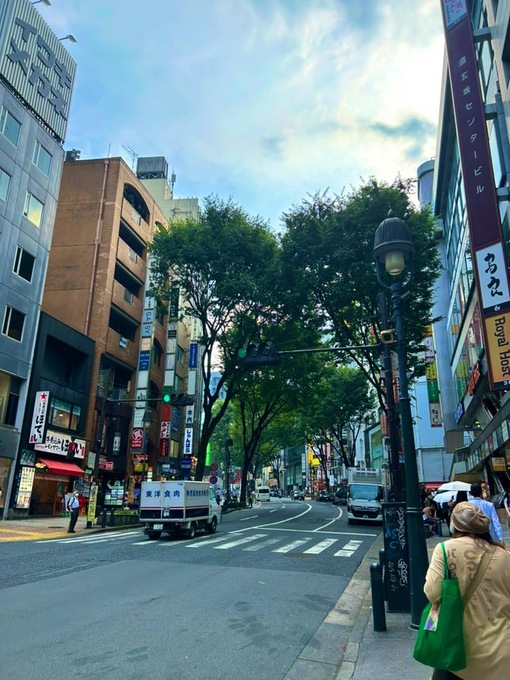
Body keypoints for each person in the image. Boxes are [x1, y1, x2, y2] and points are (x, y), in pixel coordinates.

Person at [423, 502, 510, 680]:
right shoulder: (503, 554)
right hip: (501, 650)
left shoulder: (445, 549)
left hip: (458, 648)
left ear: (454, 525)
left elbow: (433, 592)